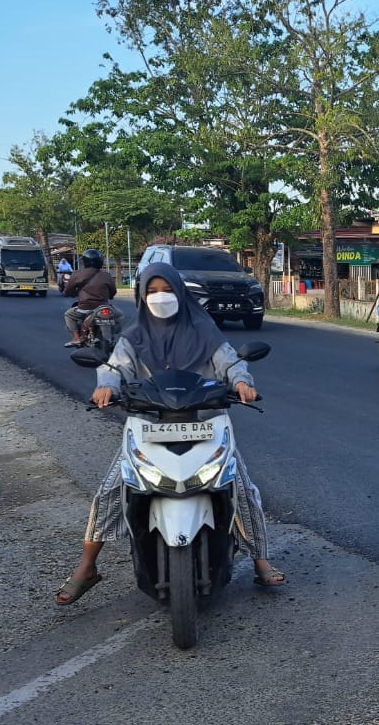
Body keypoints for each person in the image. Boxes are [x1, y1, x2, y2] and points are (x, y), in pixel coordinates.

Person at [55, 264, 285, 604]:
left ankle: (260, 559)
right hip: (151, 427)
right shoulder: (133, 337)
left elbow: (232, 362)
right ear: (142, 296)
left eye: (166, 290)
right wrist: (106, 387)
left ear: (180, 292)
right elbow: (114, 368)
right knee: (109, 491)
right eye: (152, 291)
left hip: (205, 424)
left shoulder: (205, 331)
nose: (160, 297)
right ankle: (86, 567)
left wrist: (241, 382)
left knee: (242, 488)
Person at [62, 249, 119, 347]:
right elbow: (113, 292)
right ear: (100, 261)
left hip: (84, 309)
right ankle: (112, 337)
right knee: (119, 315)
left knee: (68, 314)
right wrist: (109, 296)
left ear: (84, 261)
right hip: (104, 308)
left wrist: (70, 293)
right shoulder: (106, 275)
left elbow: (68, 291)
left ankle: (76, 338)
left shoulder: (77, 274)